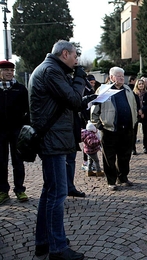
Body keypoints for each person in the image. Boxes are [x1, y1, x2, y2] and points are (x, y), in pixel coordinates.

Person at [29, 40, 85, 259]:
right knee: (57, 193)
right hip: (52, 140)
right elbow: (74, 100)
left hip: (52, 138)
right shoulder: (51, 71)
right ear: (64, 54)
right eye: (74, 56)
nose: (76, 60)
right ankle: (57, 248)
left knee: (49, 191)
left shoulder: (49, 69)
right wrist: (79, 78)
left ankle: (44, 241)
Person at [91, 67, 138, 191]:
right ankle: (111, 181)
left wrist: (134, 122)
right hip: (109, 130)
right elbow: (94, 110)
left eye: (123, 76)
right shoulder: (103, 90)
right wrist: (98, 125)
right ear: (111, 77)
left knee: (125, 155)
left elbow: (133, 106)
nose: (122, 78)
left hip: (127, 129)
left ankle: (123, 177)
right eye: (118, 76)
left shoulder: (128, 89)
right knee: (109, 157)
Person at [0, 60, 29, 205]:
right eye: (6, 70)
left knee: (18, 161)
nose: (9, 73)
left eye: (11, 71)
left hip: (17, 130)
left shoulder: (20, 89)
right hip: (0, 132)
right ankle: (3, 191)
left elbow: (28, 109)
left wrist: (25, 125)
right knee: (1, 161)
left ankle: (20, 189)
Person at [132, 78, 147, 154]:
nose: (141, 85)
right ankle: (133, 148)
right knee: (134, 132)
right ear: (137, 85)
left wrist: (143, 110)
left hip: (145, 114)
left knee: (145, 132)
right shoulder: (133, 94)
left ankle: (145, 147)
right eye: (139, 84)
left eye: (142, 84)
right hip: (136, 114)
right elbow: (133, 104)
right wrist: (138, 111)